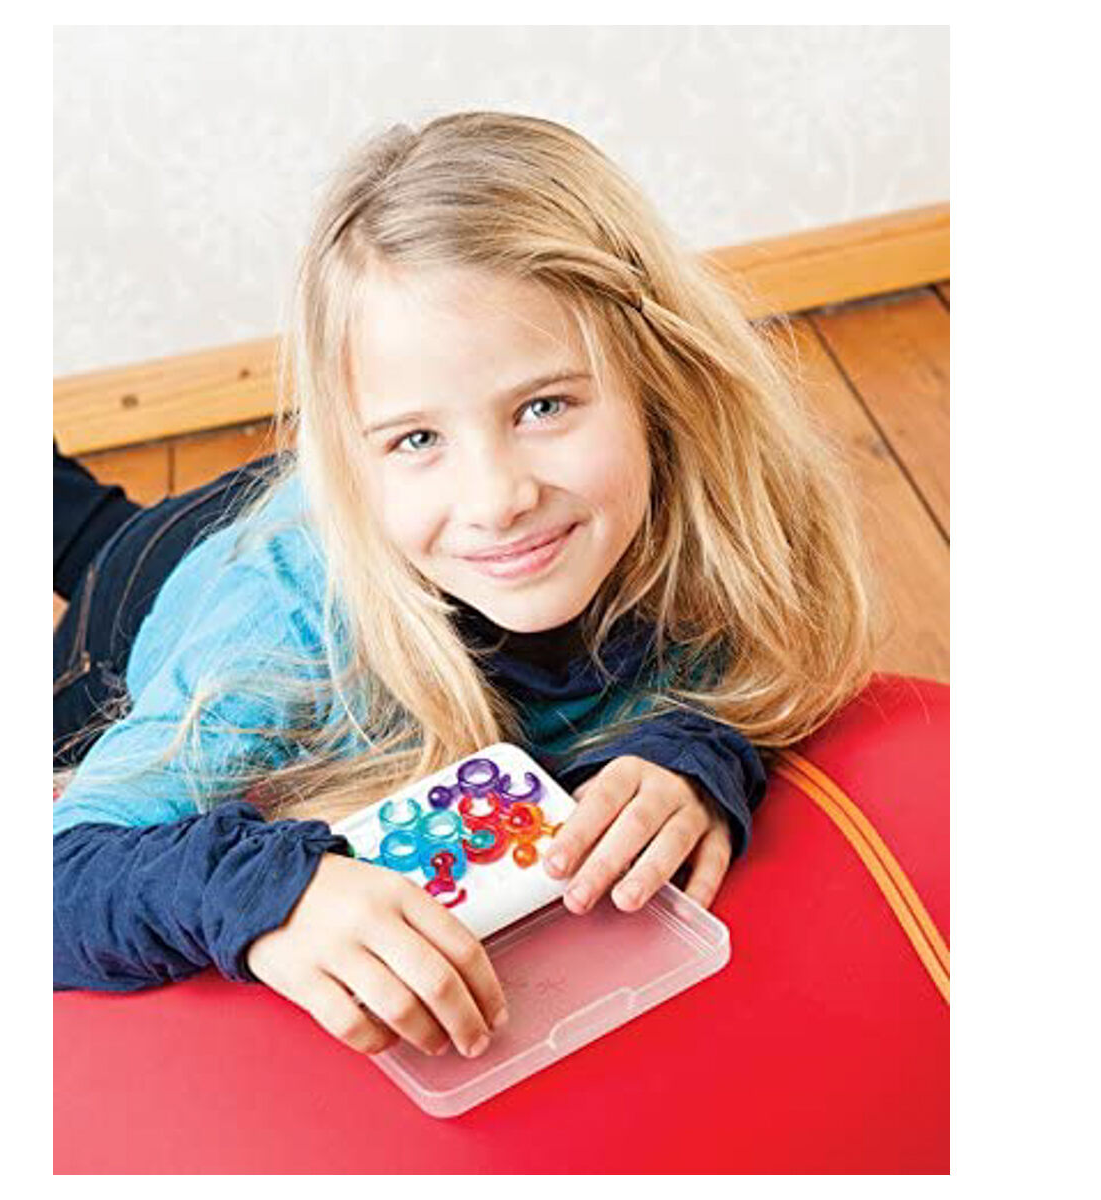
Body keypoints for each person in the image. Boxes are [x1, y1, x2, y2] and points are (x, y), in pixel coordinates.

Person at [53, 111, 876, 1061]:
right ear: (354, 455)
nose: (497, 499)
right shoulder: (276, 637)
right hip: (157, 593)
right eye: (419, 436)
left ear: (658, 383)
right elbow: (56, 873)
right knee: (91, 542)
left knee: (86, 519)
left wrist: (692, 752)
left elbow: (749, 676)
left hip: (308, 518)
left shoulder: (721, 510)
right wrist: (269, 894)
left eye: (544, 406)